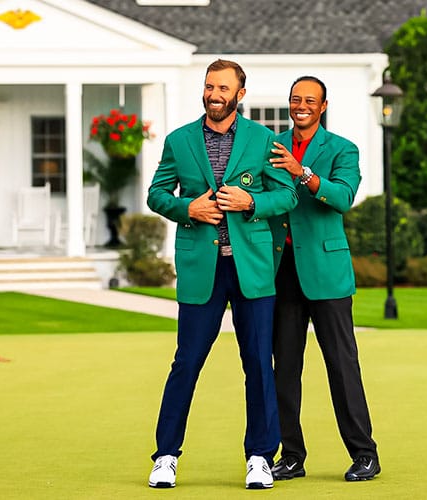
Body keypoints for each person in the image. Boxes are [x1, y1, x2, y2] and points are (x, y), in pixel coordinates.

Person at [146, 59, 298, 490]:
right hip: (202, 271)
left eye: (223, 88)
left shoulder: (262, 139)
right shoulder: (179, 141)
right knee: (187, 363)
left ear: (240, 95)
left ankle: (260, 457)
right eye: (210, 86)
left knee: (258, 366)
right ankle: (165, 457)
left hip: (251, 269)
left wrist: (251, 203)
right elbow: (157, 193)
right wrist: (186, 208)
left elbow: (285, 194)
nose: (215, 94)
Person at [268, 76, 380, 482]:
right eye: (296, 99)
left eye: (309, 101)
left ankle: (365, 453)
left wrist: (304, 173)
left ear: (323, 106)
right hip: (281, 273)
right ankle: (292, 457)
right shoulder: (270, 145)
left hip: (327, 274)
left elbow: (342, 197)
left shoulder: (342, 149)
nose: (301, 106)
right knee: (284, 369)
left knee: (342, 365)